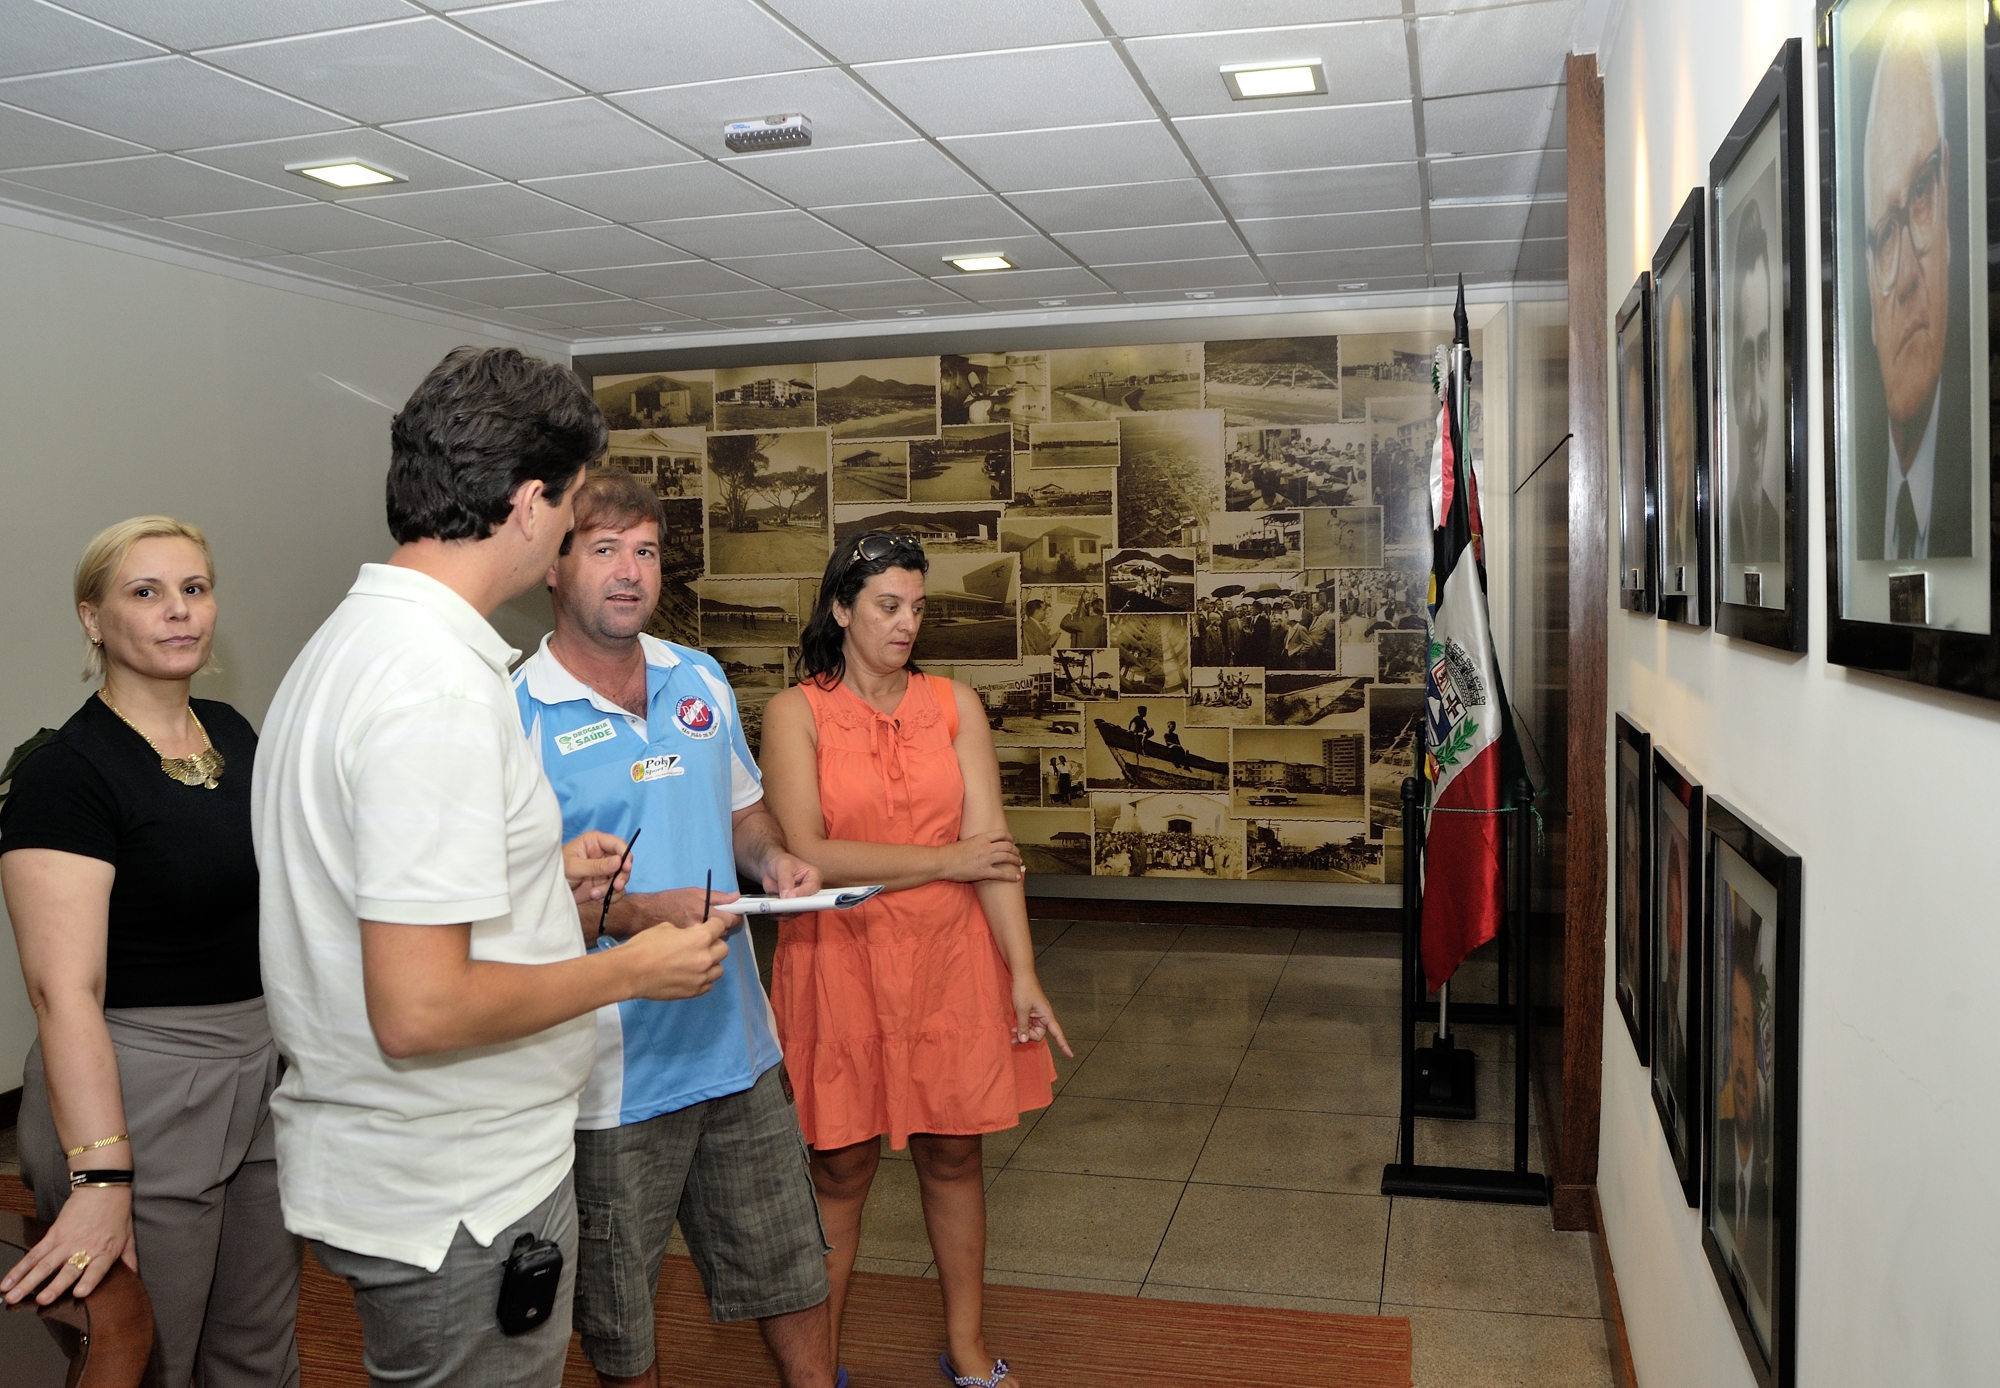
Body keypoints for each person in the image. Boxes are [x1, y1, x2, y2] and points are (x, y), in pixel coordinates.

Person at [254, 346, 734, 1388]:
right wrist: (631, 967)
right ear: (528, 506)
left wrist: (535, 877)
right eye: (569, 510)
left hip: (406, 1168)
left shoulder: (355, 644)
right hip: (459, 1196)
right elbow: (420, 1009)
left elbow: (373, 889)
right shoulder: (436, 688)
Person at [513, 470, 833, 1388]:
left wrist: (772, 861)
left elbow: (742, 811)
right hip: (611, 1080)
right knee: (623, 1325)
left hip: (738, 1049)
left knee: (793, 1274)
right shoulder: (516, 714)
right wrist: (635, 916)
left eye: (646, 552)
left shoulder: (700, 678)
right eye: (605, 550)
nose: (630, 572)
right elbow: (513, 900)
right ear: (553, 567)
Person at [759, 532, 1070, 1388]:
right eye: (888, 606)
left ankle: (966, 1346)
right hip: (839, 955)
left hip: (949, 956)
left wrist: (1023, 972)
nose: (906, 624)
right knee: (841, 1164)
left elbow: (992, 851)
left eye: (918, 608)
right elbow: (810, 851)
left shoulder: (953, 705)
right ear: (841, 608)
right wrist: (944, 860)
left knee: (954, 1153)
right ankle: (815, 1366)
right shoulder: (795, 713)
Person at [1, 517, 300, 1386]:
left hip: (261, 1067)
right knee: (144, 1356)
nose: (179, 611)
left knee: (257, 1348)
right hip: (140, 1084)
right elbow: (62, 992)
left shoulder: (232, 732)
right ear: (92, 618)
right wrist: (101, 1182)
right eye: (146, 592)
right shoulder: (66, 773)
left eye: (194, 589)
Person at [1856, 11, 1970, 560]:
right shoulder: (1854, 503)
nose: (1903, 278)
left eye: (1921, 191)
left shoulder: (1972, 493)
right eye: (1884, 236)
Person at [1725, 195, 1784, 571]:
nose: (1759, 413)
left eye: (1763, 355)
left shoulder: (1780, 531)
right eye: (1746, 361)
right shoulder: (1720, 537)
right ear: (1732, 382)